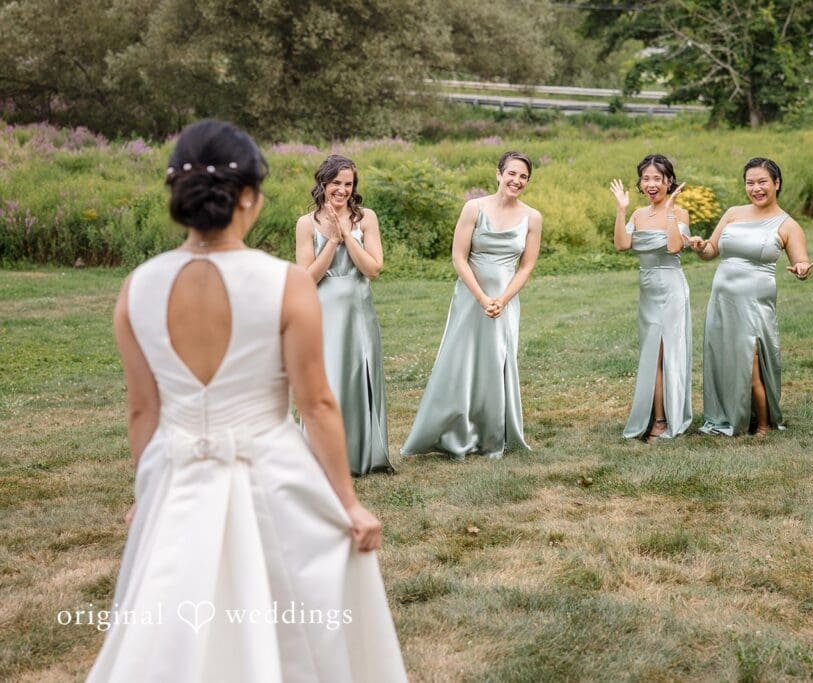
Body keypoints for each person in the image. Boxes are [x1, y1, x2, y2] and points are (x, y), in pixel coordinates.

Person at [89, 120, 406, 682]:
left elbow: (142, 411)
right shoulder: (286, 283)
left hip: (176, 480)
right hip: (273, 477)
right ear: (250, 197)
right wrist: (348, 502)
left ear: (178, 195)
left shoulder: (138, 286)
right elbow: (317, 404)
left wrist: (146, 488)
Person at [401, 151, 542, 459]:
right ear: (498, 174)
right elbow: (458, 257)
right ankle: (451, 431)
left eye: (523, 177)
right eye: (512, 173)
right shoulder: (474, 208)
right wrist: (481, 298)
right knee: (460, 360)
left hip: (505, 301)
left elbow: (527, 266)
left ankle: (491, 434)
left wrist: (502, 300)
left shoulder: (533, 217)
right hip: (470, 297)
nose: (517, 180)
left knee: (496, 359)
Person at [689, 157, 813, 436]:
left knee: (751, 359)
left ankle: (764, 424)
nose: (756, 188)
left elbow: (801, 261)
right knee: (724, 356)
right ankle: (726, 414)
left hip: (755, 301)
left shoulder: (788, 225)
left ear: (776, 183)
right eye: (750, 183)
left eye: (762, 182)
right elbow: (711, 251)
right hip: (723, 299)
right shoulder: (733, 213)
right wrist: (699, 247)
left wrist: (802, 269)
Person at [295, 155, 392, 476]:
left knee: (357, 375)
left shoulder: (367, 218)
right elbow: (307, 278)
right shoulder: (306, 223)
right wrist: (332, 241)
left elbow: (373, 268)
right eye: (336, 183)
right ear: (323, 183)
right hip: (323, 311)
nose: (342, 190)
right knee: (328, 379)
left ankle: (361, 454)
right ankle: (323, 456)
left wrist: (348, 236)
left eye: (348, 184)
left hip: (359, 309)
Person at [610, 154, 693, 442]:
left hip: (671, 289)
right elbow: (621, 244)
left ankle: (664, 419)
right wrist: (621, 210)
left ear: (669, 181)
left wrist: (669, 213)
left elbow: (673, 247)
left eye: (657, 178)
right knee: (651, 355)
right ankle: (656, 416)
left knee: (666, 352)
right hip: (648, 291)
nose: (651, 184)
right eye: (646, 178)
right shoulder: (638, 215)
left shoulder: (680, 213)